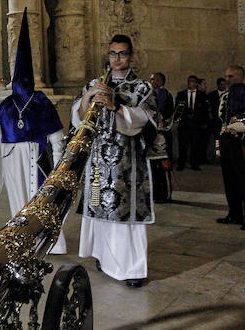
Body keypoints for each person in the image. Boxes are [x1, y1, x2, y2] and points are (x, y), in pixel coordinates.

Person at [72, 34, 157, 288]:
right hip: (98, 162)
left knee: (123, 214)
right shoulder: (95, 83)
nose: (117, 59)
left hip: (126, 165)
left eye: (122, 54)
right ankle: (103, 257)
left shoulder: (141, 87)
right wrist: (88, 97)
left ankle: (132, 269)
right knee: (98, 207)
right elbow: (77, 118)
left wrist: (114, 106)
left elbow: (147, 120)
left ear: (130, 56)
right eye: (112, 53)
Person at [0, 7, 67, 254]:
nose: (20, 84)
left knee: (40, 201)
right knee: (18, 202)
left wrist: (60, 161)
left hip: (36, 157)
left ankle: (51, 243)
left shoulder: (41, 101)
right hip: (12, 160)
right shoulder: (7, 104)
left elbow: (55, 135)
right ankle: (22, 239)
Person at [217, 64, 245, 227]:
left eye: (231, 77)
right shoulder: (226, 95)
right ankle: (234, 213)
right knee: (229, 179)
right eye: (226, 76)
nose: (227, 80)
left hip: (240, 140)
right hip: (227, 140)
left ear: (240, 77)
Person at [148, 72, 173, 204]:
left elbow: (159, 113)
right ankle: (156, 194)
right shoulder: (151, 93)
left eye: (154, 79)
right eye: (150, 79)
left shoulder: (162, 94)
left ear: (161, 82)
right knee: (153, 168)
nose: (151, 81)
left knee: (162, 167)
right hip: (153, 137)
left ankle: (164, 194)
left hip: (160, 137)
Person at [175, 74, 207, 170]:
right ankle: (181, 163)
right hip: (184, 123)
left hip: (196, 124)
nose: (190, 83)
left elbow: (204, 110)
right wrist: (177, 121)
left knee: (195, 145)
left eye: (192, 81)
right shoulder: (181, 94)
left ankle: (194, 163)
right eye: (189, 81)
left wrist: (203, 122)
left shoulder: (201, 95)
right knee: (182, 145)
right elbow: (177, 109)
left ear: (196, 84)